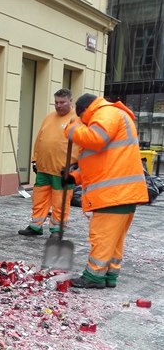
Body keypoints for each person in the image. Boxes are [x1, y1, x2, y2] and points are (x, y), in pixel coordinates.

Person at [63, 93, 148, 289]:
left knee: (101, 236)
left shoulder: (106, 113)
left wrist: (71, 129)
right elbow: (100, 161)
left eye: (83, 120)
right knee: (114, 239)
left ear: (85, 111)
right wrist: (74, 177)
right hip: (121, 192)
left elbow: (96, 139)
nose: (84, 124)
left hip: (114, 193)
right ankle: (109, 274)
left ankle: (94, 276)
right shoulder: (112, 115)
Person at [18, 88, 80, 238]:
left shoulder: (77, 119)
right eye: (56, 102)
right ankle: (35, 226)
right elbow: (40, 139)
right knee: (39, 198)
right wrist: (35, 159)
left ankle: (57, 229)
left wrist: (78, 166)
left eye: (62, 102)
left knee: (60, 202)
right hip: (44, 167)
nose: (58, 106)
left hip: (63, 170)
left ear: (70, 101)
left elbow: (84, 144)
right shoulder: (49, 117)